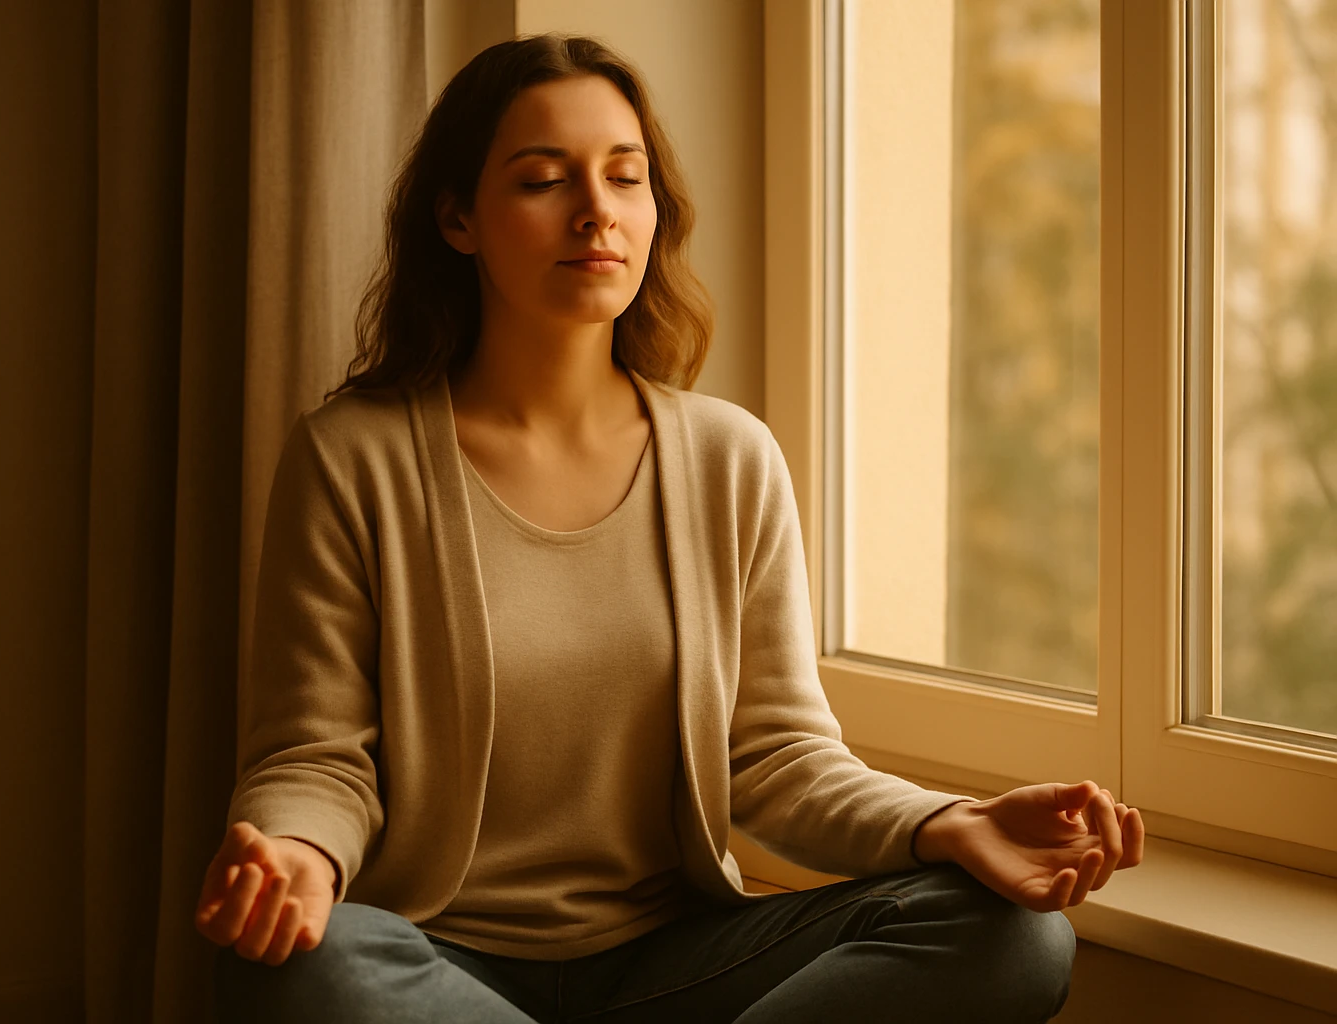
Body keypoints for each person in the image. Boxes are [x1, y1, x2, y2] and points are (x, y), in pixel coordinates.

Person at [197, 32, 1144, 1024]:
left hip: (677, 966)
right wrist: (294, 857)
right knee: (297, 962)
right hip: (436, 966)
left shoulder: (728, 458)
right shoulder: (352, 457)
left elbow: (779, 762)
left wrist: (954, 822)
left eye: (625, 175)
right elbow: (318, 755)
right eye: (543, 179)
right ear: (458, 217)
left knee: (1012, 933)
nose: (595, 211)